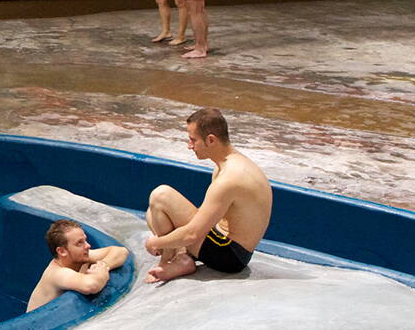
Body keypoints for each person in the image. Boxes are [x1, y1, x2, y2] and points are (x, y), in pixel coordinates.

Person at [143, 107, 272, 283]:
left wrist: (155, 244)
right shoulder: (229, 164)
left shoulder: (229, 178)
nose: (189, 146)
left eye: (192, 140)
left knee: (161, 195)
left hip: (229, 255)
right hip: (229, 246)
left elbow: (192, 234)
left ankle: (167, 261)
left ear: (211, 140)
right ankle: (182, 258)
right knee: (153, 213)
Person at [26, 220, 130, 311]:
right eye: (79, 243)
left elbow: (121, 252)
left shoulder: (81, 258)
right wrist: (101, 274)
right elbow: (91, 285)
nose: (88, 246)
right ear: (62, 251)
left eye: (85, 240)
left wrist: (103, 265)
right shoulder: (57, 274)